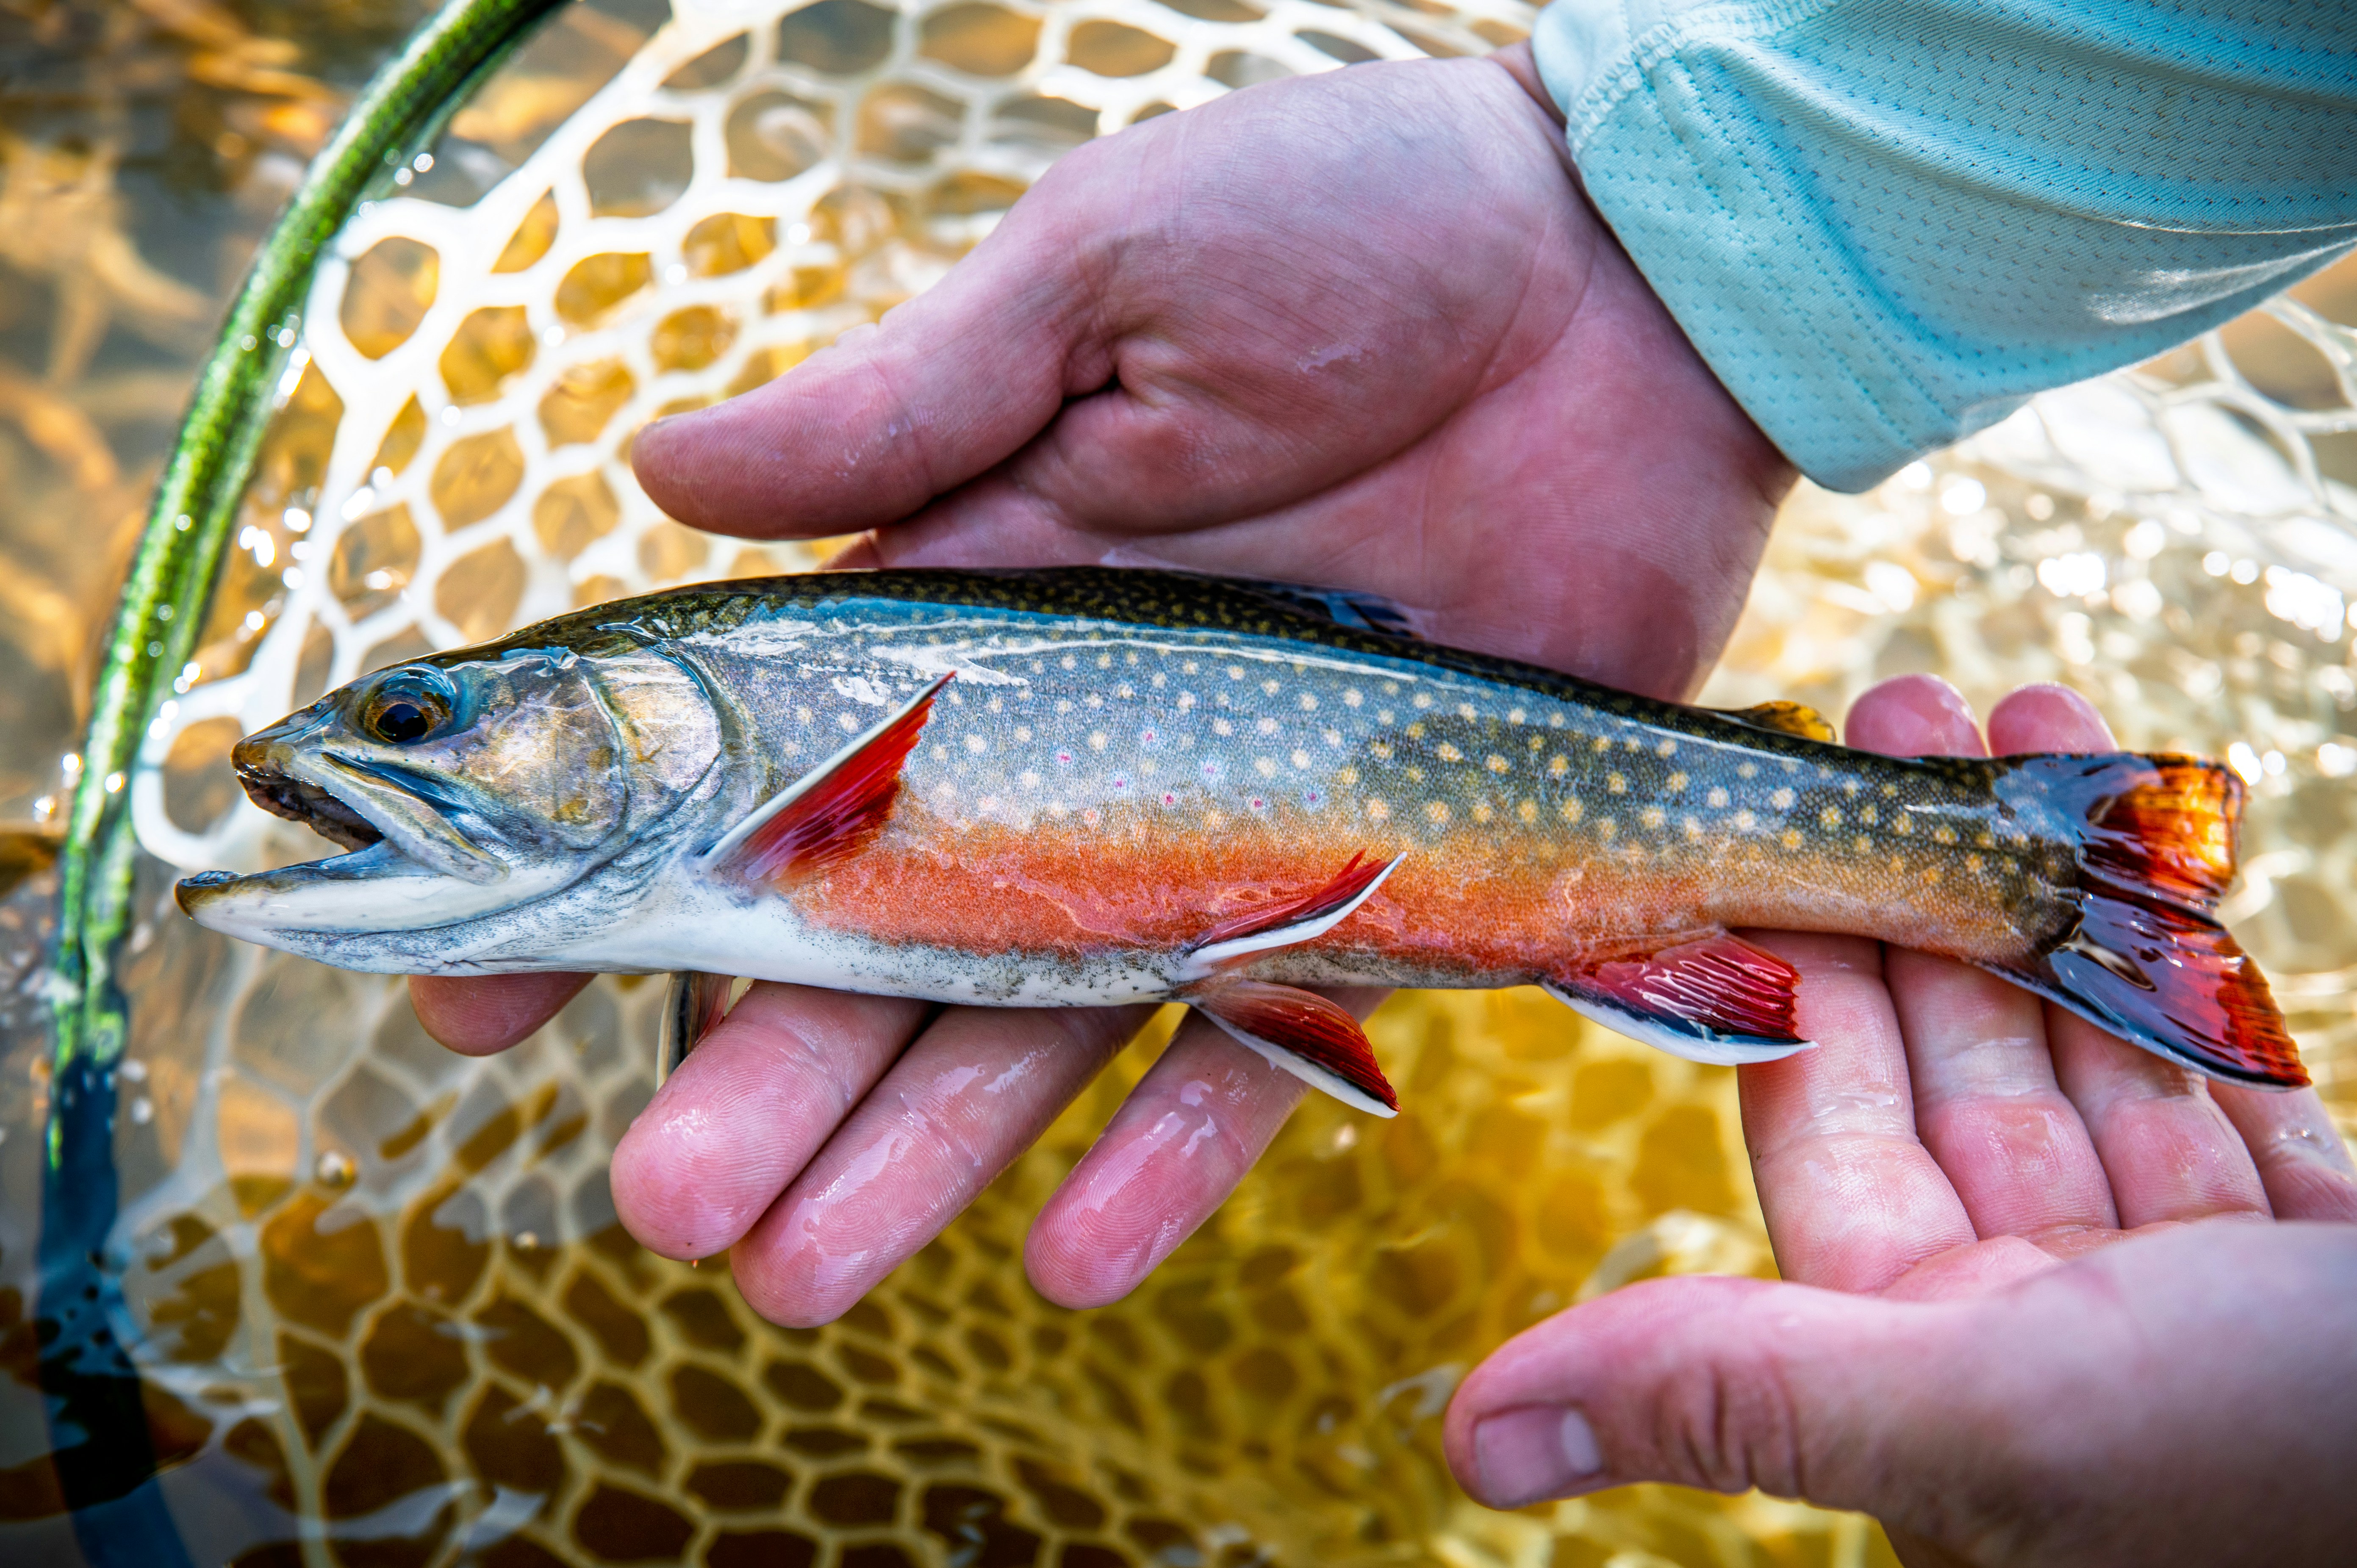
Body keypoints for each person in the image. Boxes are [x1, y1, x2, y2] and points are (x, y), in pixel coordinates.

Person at [410, 4, 2357, 1561]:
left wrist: (1652, 229)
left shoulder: (767, 757)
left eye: (429, 723)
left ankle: (2030, 871)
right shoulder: (751, 774)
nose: (385, 760)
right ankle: (2036, 869)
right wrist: (1669, 239)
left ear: (624, 704)